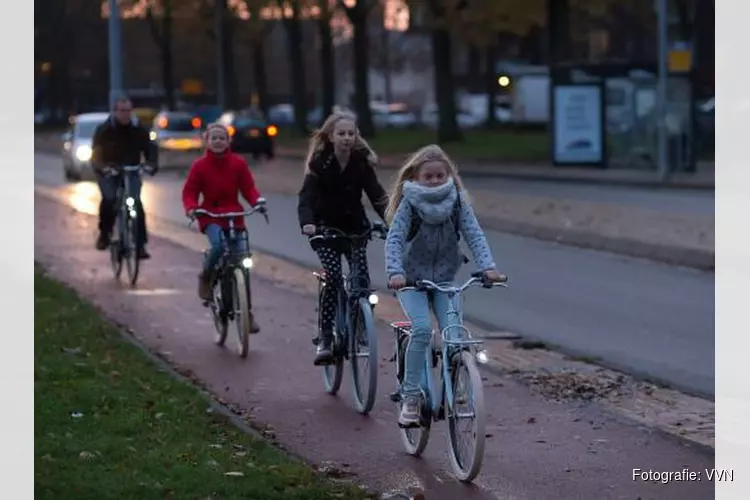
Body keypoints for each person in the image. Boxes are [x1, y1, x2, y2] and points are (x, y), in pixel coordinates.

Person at [384, 144, 505, 428]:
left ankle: (460, 384)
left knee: (455, 335)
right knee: (423, 330)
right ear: (416, 178)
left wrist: (488, 267)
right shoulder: (409, 204)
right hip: (412, 281)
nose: (436, 180)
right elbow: (395, 239)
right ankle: (411, 398)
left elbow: (474, 234)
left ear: (448, 175)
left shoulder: (457, 203)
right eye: (430, 176)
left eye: (441, 175)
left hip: (445, 281)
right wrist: (395, 272)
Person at [297, 111, 389, 366]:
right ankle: (325, 338)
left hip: (355, 228)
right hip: (325, 229)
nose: (347, 138)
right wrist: (308, 223)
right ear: (331, 136)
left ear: (356, 136)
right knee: (334, 278)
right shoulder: (319, 164)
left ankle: (360, 324)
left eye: (351, 133)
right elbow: (305, 197)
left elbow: (377, 195)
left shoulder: (361, 164)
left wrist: (393, 220)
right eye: (342, 134)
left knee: (361, 281)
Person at [181, 122, 265, 333]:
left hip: (235, 217)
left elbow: (248, 189)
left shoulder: (238, 164)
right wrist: (192, 208)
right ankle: (207, 276)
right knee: (218, 246)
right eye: (214, 138)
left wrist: (257, 202)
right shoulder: (199, 166)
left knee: (242, 265)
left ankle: (247, 312)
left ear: (228, 141)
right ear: (207, 141)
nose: (218, 142)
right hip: (211, 217)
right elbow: (189, 192)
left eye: (222, 138)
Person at [91, 96, 157, 258]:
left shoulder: (139, 129)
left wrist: (151, 164)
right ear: (115, 112)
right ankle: (105, 234)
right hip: (110, 171)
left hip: (131, 170)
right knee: (109, 199)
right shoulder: (104, 130)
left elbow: (150, 149)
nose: (125, 114)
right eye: (122, 111)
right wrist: (103, 167)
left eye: (128, 110)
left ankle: (140, 245)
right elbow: (96, 154)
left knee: (135, 203)